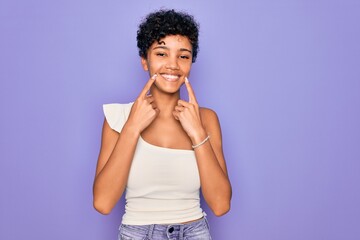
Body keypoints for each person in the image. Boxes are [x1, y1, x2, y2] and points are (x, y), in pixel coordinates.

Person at [93, 9, 232, 240]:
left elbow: (220, 205)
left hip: (195, 233)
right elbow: (103, 203)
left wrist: (198, 134)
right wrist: (132, 128)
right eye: (161, 53)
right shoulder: (118, 117)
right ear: (144, 61)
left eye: (183, 56)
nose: (173, 65)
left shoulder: (206, 119)